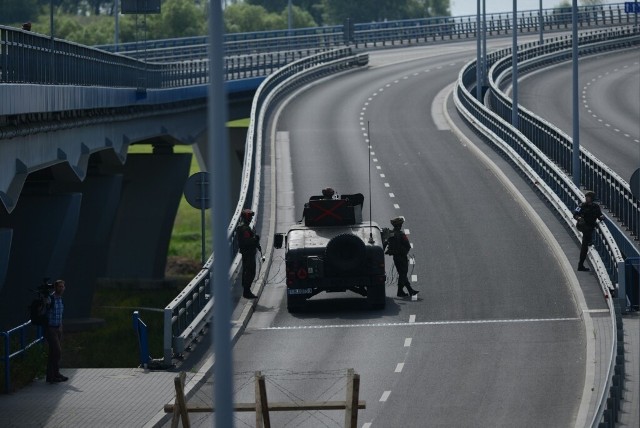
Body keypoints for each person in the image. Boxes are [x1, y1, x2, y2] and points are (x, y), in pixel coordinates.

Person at [383, 217, 418, 297]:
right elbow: (408, 246)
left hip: (395, 257)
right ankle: (401, 291)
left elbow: (385, 243)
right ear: (399, 225)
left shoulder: (390, 233)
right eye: (401, 224)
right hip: (402, 257)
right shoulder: (402, 234)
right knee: (403, 273)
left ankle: (409, 290)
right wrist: (404, 253)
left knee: (402, 274)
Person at [574, 191, 604, 272]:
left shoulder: (596, 207)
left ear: (592, 198)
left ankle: (581, 265)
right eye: (586, 197)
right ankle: (580, 265)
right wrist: (579, 218)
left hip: (590, 227)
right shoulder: (581, 206)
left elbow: (599, 215)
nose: (586, 198)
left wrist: (602, 217)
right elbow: (575, 214)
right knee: (584, 246)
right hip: (583, 226)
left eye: (588, 197)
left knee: (585, 244)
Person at [45, 280, 68, 383]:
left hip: (58, 328)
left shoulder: (60, 299)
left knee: (52, 352)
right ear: (55, 287)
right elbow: (45, 307)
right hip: (51, 328)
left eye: (63, 286)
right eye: (59, 286)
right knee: (57, 352)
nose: (61, 288)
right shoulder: (51, 298)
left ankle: (52, 375)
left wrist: (61, 327)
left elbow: (60, 315)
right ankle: (54, 374)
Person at [237, 209, 260, 299]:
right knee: (250, 272)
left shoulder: (245, 226)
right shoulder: (244, 228)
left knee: (247, 271)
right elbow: (247, 241)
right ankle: (246, 291)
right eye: (250, 216)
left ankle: (247, 291)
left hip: (247, 252)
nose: (251, 218)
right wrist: (256, 238)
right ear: (246, 217)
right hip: (248, 253)